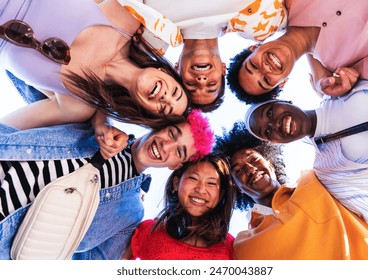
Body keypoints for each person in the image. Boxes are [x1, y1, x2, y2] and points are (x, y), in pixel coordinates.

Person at [0, 109, 214, 260]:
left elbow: (90, 264)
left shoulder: (130, 213)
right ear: (160, 125)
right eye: (171, 133)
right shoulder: (95, 123)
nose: (166, 145)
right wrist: (101, 119)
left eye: (179, 151)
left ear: (176, 165)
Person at [244, 51, 368, 244]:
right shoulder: (329, 173)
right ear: (276, 143)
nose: (274, 124)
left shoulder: (344, 81)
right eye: (267, 132)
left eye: (270, 113)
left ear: (284, 101)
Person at [0, 0, 190, 134]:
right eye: (175, 92)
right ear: (165, 72)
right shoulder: (127, 18)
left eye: (164, 109)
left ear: (146, 113)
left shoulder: (78, 104)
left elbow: (5, 132)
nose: (166, 98)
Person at [214, 121, 368, 259]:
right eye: (238, 171)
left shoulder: (316, 179)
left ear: (271, 163)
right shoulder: (244, 245)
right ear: (237, 188)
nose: (250, 169)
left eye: (253, 159)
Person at [117, 0, 287, 111]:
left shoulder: (151, 35)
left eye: (191, 84)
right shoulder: (259, 25)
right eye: (211, 84)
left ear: (176, 68)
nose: (201, 80)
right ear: (223, 69)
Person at [227, 0, 368, 104]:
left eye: (253, 66)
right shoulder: (345, 65)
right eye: (266, 80)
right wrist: (324, 89)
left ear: (253, 48)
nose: (265, 69)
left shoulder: (289, 3)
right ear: (282, 83)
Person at [121, 152, 236, 260]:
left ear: (220, 195)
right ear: (176, 183)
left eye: (211, 183)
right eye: (193, 178)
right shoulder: (149, 230)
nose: (201, 190)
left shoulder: (232, 247)